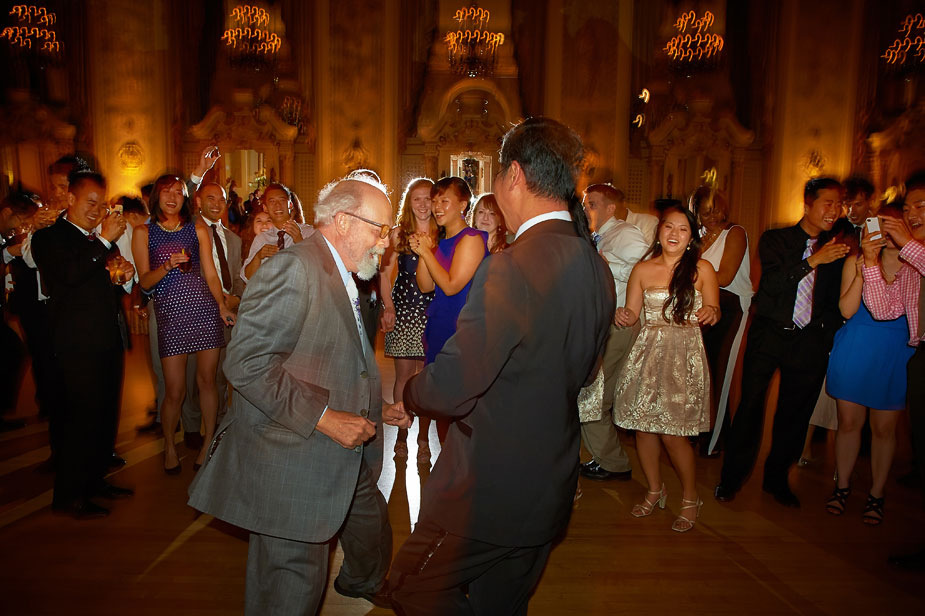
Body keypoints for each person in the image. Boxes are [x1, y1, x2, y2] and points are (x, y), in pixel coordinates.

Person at [384, 117, 615, 614]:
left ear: (512, 176)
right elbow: (588, 369)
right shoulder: (595, 265)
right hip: (550, 476)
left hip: (487, 489)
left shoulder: (512, 264)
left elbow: (453, 385)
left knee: (408, 586)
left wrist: (408, 395)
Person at [188, 176, 395, 614]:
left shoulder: (340, 270)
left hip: (340, 445)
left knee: (366, 518)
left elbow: (335, 354)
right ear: (343, 221)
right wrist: (326, 417)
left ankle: (363, 579)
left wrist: (373, 402)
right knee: (291, 589)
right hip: (293, 458)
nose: (385, 241)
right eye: (380, 228)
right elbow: (246, 363)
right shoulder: (294, 267)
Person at [715, 177, 850, 507]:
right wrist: (813, 261)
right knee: (749, 406)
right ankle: (731, 479)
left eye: (838, 204)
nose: (834, 210)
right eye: (827, 203)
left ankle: (777, 479)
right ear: (808, 204)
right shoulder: (776, 239)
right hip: (770, 334)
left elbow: (835, 299)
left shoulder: (841, 246)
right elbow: (772, 284)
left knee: (795, 413)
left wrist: (825, 333)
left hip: (810, 341)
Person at [31, 171, 136, 518]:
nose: (97, 210)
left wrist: (122, 277)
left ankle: (94, 481)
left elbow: (105, 285)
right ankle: (68, 494)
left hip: (107, 338)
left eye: (101, 204)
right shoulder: (49, 238)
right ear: (70, 199)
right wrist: (105, 242)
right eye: (91, 203)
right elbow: (70, 276)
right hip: (77, 344)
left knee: (105, 417)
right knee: (79, 420)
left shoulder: (98, 241)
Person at [613, 205, 720, 532]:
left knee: (674, 435)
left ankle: (690, 498)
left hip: (683, 354)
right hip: (648, 352)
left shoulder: (702, 269)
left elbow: (714, 308)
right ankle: (654, 490)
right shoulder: (643, 269)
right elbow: (632, 314)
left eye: (682, 229)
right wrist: (623, 316)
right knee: (643, 428)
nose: (674, 234)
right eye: (668, 227)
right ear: (659, 232)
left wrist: (712, 313)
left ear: (691, 237)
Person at [132, 175, 235, 473]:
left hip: (203, 310)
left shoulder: (196, 228)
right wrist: (167, 265)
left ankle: (207, 444)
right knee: (174, 391)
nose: (173, 197)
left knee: (207, 381)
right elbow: (145, 282)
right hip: (170, 314)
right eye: (167, 191)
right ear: (156, 197)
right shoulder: (143, 232)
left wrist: (221, 306)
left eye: (179, 192)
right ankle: (169, 445)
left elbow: (212, 275)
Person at [824, 200, 913, 525]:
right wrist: (867, 265)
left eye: (894, 225)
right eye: (881, 225)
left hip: (894, 349)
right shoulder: (856, 261)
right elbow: (846, 311)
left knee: (884, 429)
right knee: (848, 424)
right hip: (857, 346)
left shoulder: (916, 266)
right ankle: (842, 486)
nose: (886, 233)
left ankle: (877, 492)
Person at [860, 171, 925, 568]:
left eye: (921, 207)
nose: (912, 214)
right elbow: (885, 310)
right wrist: (870, 262)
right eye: (908, 207)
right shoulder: (910, 260)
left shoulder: (914, 252)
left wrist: (910, 246)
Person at [578, 182, 649, 481]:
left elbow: (648, 269)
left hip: (619, 324)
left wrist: (607, 266)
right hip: (602, 323)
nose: (586, 208)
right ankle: (606, 458)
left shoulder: (625, 233)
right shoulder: (597, 236)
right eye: (585, 203)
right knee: (592, 394)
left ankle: (614, 463)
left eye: (592, 203)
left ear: (611, 208)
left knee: (597, 396)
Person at [411, 176, 489, 445]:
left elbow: (453, 285)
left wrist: (428, 253)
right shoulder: (440, 242)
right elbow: (424, 286)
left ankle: (467, 469)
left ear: (463, 204)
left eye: (445, 200)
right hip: (440, 325)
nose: (437, 207)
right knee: (443, 404)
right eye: (435, 201)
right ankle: (450, 466)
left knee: (462, 405)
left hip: (463, 330)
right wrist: (426, 252)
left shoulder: (472, 239)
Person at [181, 182, 247, 445]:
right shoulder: (187, 232)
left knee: (219, 373)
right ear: (197, 201)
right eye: (210, 198)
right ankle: (191, 425)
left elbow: (239, 276)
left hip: (227, 310)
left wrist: (237, 299)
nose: (217, 204)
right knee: (192, 374)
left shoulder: (233, 239)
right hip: (197, 311)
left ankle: (216, 424)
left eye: (221, 199)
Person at [689, 184, 752, 455]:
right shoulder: (699, 237)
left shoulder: (735, 233)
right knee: (700, 373)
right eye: (705, 213)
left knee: (720, 373)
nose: (711, 217)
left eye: (715, 210)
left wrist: (689, 267)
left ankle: (716, 438)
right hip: (703, 306)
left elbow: (725, 276)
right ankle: (702, 430)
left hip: (731, 307)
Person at [381, 178, 437, 461]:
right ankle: (402, 433)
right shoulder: (397, 235)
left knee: (427, 377)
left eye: (428, 198)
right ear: (409, 203)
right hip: (403, 310)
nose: (424, 204)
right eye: (417, 198)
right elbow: (383, 272)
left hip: (433, 311)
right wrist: (388, 307)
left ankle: (425, 437)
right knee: (403, 376)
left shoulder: (444, 234)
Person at [241, 183, 312, 281]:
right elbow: (247, 277)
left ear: (290, 205)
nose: (277, 206)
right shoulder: (262, 238)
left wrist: (299, 242)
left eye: (282, 201)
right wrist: (258, 257)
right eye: (272, 201)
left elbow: (320, 269)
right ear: (265, 208)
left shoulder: (308, 232)